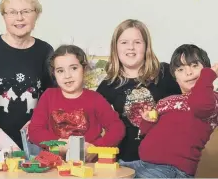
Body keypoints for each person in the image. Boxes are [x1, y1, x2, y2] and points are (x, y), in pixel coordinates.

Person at [0, 0, 54, 155]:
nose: (19, 18)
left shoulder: (45, 51)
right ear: (3, 16)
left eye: (26, 11)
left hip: (32, 145)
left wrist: (38, 121)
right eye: (12, 12)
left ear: (36, 15)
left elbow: (52, 98)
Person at [123, 44, 218, 178]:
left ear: (206, 69)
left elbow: (201, 106)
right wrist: (147, 121)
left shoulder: (211, 99)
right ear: (175, 77)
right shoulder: (167, 101)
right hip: (144, 164)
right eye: (180, 69)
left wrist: (208, 76)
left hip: (173, 170)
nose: (189, 72)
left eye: (194, 65)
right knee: (109, 171)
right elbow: (146, 132)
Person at [96, 19, 181, 162]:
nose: (131, 47)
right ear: (115, 47)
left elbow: (187, 105)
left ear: (146, 46)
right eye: (124, 42)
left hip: (164, 160)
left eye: (137, 42)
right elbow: (92, 119)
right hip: (125, 161)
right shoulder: (109, 84)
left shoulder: (165, 73)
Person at [28, 45, 125, 162]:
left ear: (84, 69)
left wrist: (96, 148)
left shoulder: (95, 98)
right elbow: (35, 130)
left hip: (89, 166)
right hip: (55, 165)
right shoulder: (48, 96)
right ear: (54, 74)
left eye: (73, 68)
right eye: (60, 71)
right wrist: (58, 144)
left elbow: (117, 128)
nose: (67, 75)